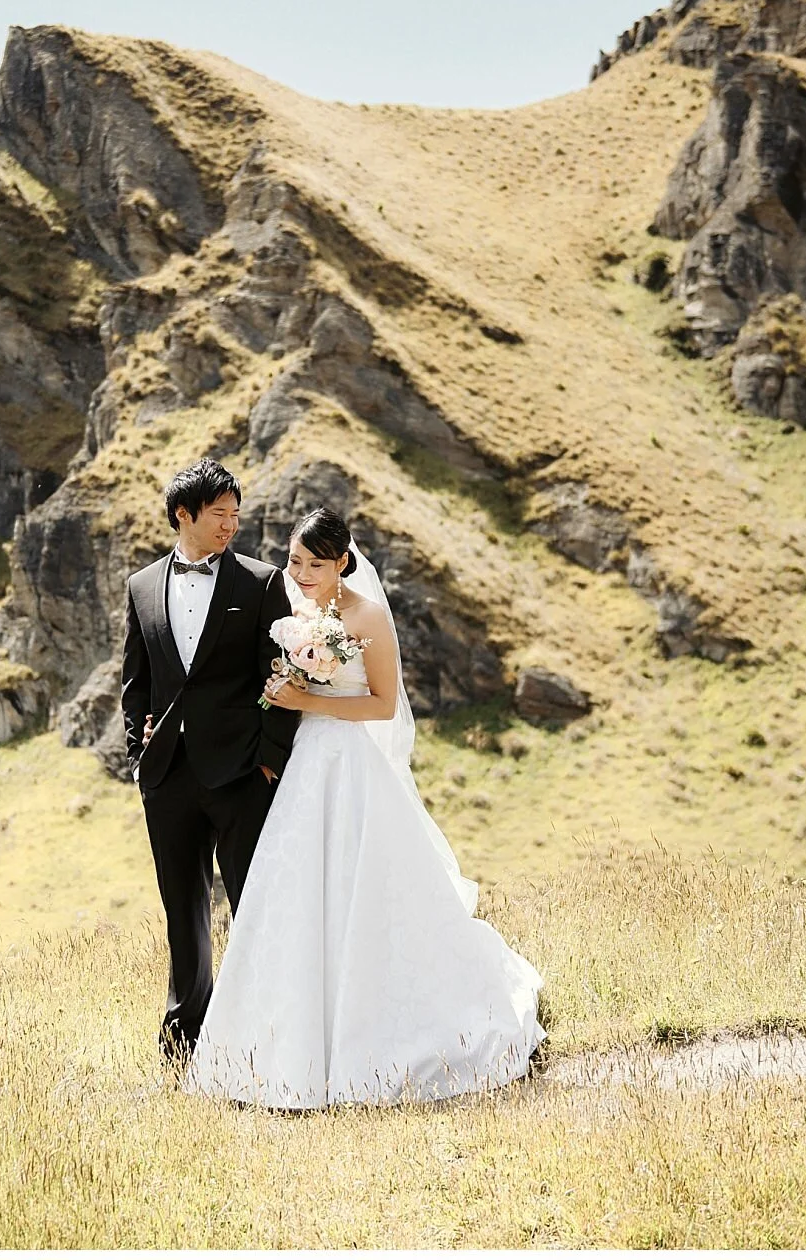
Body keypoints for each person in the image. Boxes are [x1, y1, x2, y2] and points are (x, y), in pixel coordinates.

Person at [182, 507, 546, 1108]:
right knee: (295, 894)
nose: (298, 572)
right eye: (294, 560)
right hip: (304, 767)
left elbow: (380, 705)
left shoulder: (367, 615)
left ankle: (379, 1038)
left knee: (370, 892)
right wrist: (280, 695)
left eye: (312, 564)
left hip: (351, 763)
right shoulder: (294, 608)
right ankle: (277, 1044)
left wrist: (308, 699)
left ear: (343, 564)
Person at [120, 458, 301, 1067]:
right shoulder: (141, 586)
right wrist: (138, 753)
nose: (231, 525)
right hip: (169, 775)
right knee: (183, 911)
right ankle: (184, 1042)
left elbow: (278, 674)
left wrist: (271, 760)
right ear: (184, 516)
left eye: (236, 515)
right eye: (220, 515)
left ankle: (264, 1037)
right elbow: (135, 682)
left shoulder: (261, 582)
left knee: (253, 906)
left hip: (243, 774)